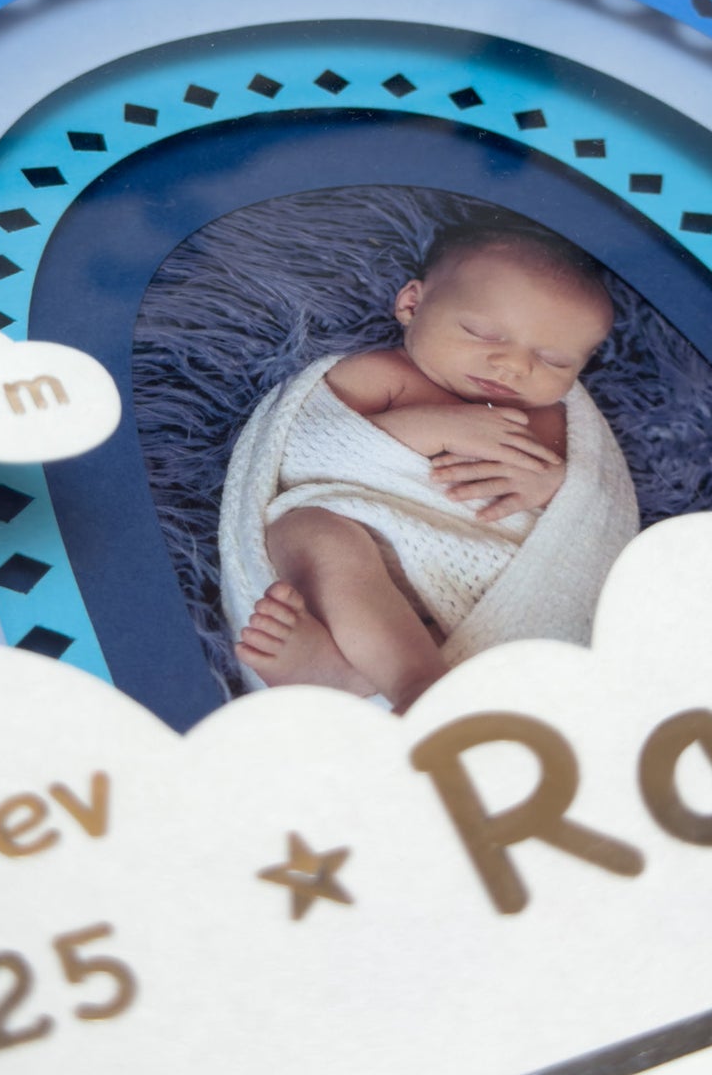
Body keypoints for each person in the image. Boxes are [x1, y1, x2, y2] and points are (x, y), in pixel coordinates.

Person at [218, 223, 640, 711]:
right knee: (305, 529)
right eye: (482, 333)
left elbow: (591, 510)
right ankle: (398, 677)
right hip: (361, 555)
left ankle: (374, 679)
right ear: (412, 305)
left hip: (484, 591)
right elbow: (312, 447)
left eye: (554, 361)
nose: (513, 366)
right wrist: (433, 427)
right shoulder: (384, 375)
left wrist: (553, 485)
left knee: (482, 642)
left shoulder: (556, 418)